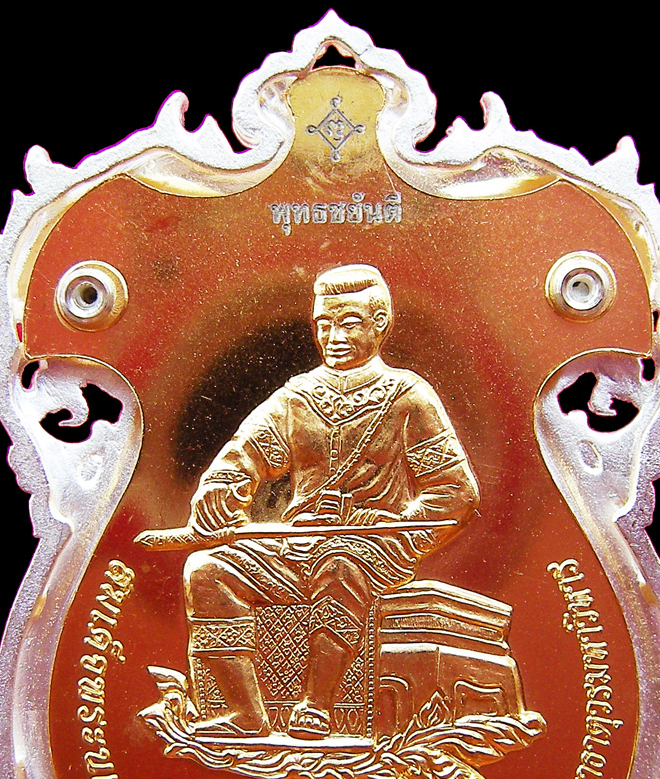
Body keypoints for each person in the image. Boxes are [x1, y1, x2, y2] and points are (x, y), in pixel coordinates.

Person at [184, 264, 479, 739]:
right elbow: (245, 455)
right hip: (296, 546)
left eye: (349, 323)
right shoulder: (297, 397)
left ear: (380, 324)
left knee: (339, 565)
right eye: (324, 324)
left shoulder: (408, 398)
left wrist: (394, 525)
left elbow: (456, 492)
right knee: (206, 571)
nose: (334, 337)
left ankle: (317, 705)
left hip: (374, 548)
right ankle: (245, 714)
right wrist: (219, 488)